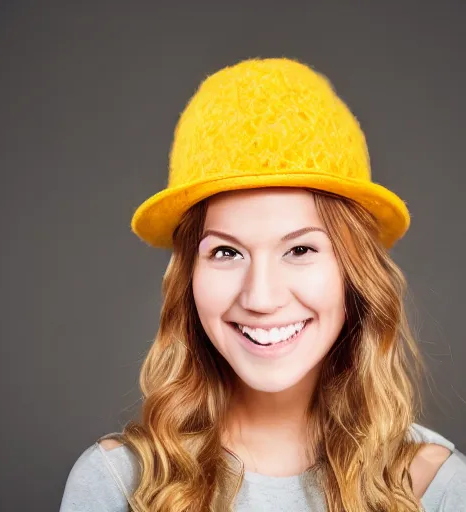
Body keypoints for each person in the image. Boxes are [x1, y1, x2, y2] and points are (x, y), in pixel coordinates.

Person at [59, 58, 466, 511]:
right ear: (188, 279)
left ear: (355, 271)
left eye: (300, 250)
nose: (261, 298)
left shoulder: (437, 488)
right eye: (226, 252)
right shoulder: (116, 484)